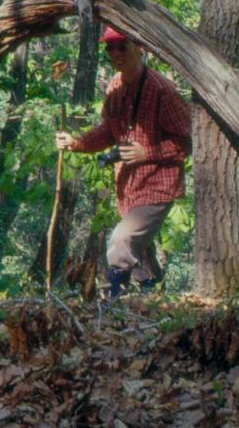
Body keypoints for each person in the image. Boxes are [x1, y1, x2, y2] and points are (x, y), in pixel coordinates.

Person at [55, 26, 191, 297]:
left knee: (121, 241)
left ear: (139, 48)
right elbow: (108, 130)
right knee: (137, 249)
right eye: (110, 47)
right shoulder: (115, 86)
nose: (115, 53)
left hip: (157, 186)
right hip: (128, 187)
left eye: (122, 46)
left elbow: (186, 142)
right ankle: (149, 296)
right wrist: (76, 143)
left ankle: (115, 302)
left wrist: (147, 153)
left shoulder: (163, 91)